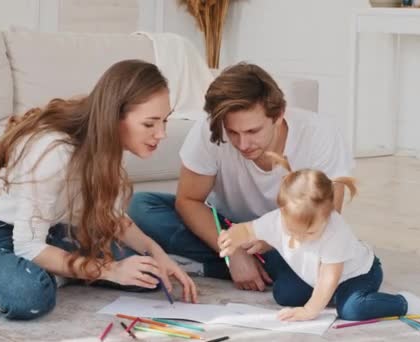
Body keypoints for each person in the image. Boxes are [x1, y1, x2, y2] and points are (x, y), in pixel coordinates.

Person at [0, 60, 197, 320]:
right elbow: (28, 246)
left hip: (48, 230)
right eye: (150, 124)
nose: (162, 134)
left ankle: (57, 268)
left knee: (147, 274)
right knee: (30, 294)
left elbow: (112, 217)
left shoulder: (110, 143)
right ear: (114, 116)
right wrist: (109, 270)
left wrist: (157, 253)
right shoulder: (53, 150)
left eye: (165, 121)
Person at [128, 62, 355, 294]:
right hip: (226, 228)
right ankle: (247, 266)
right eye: (233, 133)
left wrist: (270, 239)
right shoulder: (211, 130)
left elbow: (327, 216)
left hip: (287, 237)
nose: (243, 145)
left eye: (253, 132)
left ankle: (210, 265)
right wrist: (233, 252)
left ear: (278, 115)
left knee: (297, 287)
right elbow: (188, 201)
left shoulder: (320, 134)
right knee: (141, 206)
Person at [218, 152, 420, 321]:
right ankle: (325, 297)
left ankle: (402, 303)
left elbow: (329, 279)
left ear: (328, 214)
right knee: (284, 294)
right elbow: (246, 229)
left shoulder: (336, 232)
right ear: (282, 212)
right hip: (313, 273)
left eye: (311, 232)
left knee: (352, 309)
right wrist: (232, 239)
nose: (302, 237)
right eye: (294, 230)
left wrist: (310, 310)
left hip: (356, 275)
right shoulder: (276, 220)